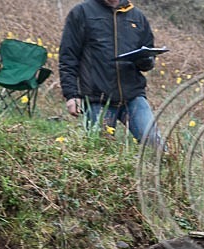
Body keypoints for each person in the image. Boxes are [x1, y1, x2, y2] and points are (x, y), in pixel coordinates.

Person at [58, 0, 163, 147]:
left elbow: (148, 58)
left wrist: (146, 60)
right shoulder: (82, 12)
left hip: (133, 96)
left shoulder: (137, 17)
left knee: (157, 148)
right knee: (99, 153)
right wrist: (71, 95)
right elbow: (68, 56)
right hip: (97, 98)